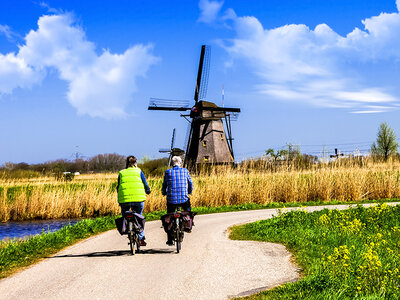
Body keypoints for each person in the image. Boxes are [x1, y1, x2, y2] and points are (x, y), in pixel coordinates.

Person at [117, 156, 150, 246]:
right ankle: (141, 238)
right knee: (139, 216)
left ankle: (128, 228)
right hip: (138, 199)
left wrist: (120, 196)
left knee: (125, 215)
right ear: (136, 163)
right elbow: (145, 184)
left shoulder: (121, 173)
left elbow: (118, 186)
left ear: (126, 163)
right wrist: (148, 191)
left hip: (124, 199)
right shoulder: (139, 171)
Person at [162, 156, 193, 245]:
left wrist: (164, 192)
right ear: (180, 163)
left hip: (171, 199)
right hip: (184, 198)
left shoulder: (168, 172)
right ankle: (188, 226)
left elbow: (164, 184)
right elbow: (190, 183)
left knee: (169, 216)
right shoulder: (185, 171)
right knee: (188, 211)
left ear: (172, 163)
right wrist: (189, 191)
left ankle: (170, 239)